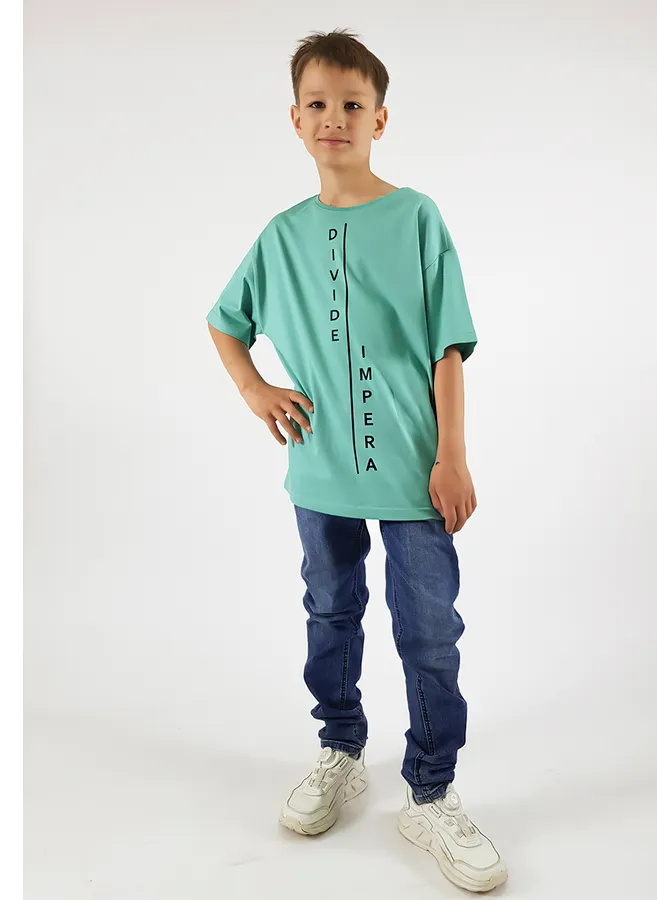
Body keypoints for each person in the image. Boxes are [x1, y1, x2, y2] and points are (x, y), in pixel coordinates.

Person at [206, 27, 508, 894]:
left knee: (430, 633)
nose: (333, 117)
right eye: (318, 103)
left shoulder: (417, 218)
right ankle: (340, 750)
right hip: (319, 471)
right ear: (295, 119)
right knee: (330, 612)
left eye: (352, 103)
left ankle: (430, 792)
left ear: (380, 118)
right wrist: (255, 389)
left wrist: (453, 455)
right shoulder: (281, 236)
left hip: (416, 470)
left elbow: (447, 347)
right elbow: (226, 321)